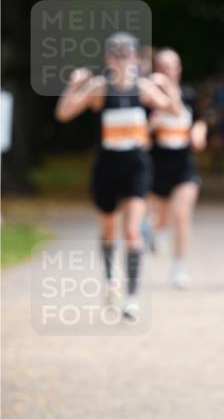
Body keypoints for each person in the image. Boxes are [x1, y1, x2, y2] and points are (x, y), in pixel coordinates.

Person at [54, 32, 180, 321]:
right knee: (109, 228)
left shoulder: (144, 88)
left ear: (136, 58)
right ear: (109, 59)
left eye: (128, 55)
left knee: (133, 230)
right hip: (106, 168)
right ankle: (112, 280)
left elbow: (174, 110)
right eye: (117, 55)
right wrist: (73, 86)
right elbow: (63, 113)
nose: (123, 61)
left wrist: (169, 85)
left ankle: (132, 297)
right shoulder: (100, 88)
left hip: (136, 167)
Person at [148, 48, 207, 288]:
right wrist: (151, 125)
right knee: (162, 218)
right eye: (164, 67)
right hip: (156, 165)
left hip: (184, 166)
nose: (170, 71)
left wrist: (199, 131)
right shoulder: (147, 96)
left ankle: (179, 267)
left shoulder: (189, 95)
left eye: (174, 66)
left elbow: (200, 119)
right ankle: (155, 231)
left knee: (181, 214)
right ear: (156, 70)